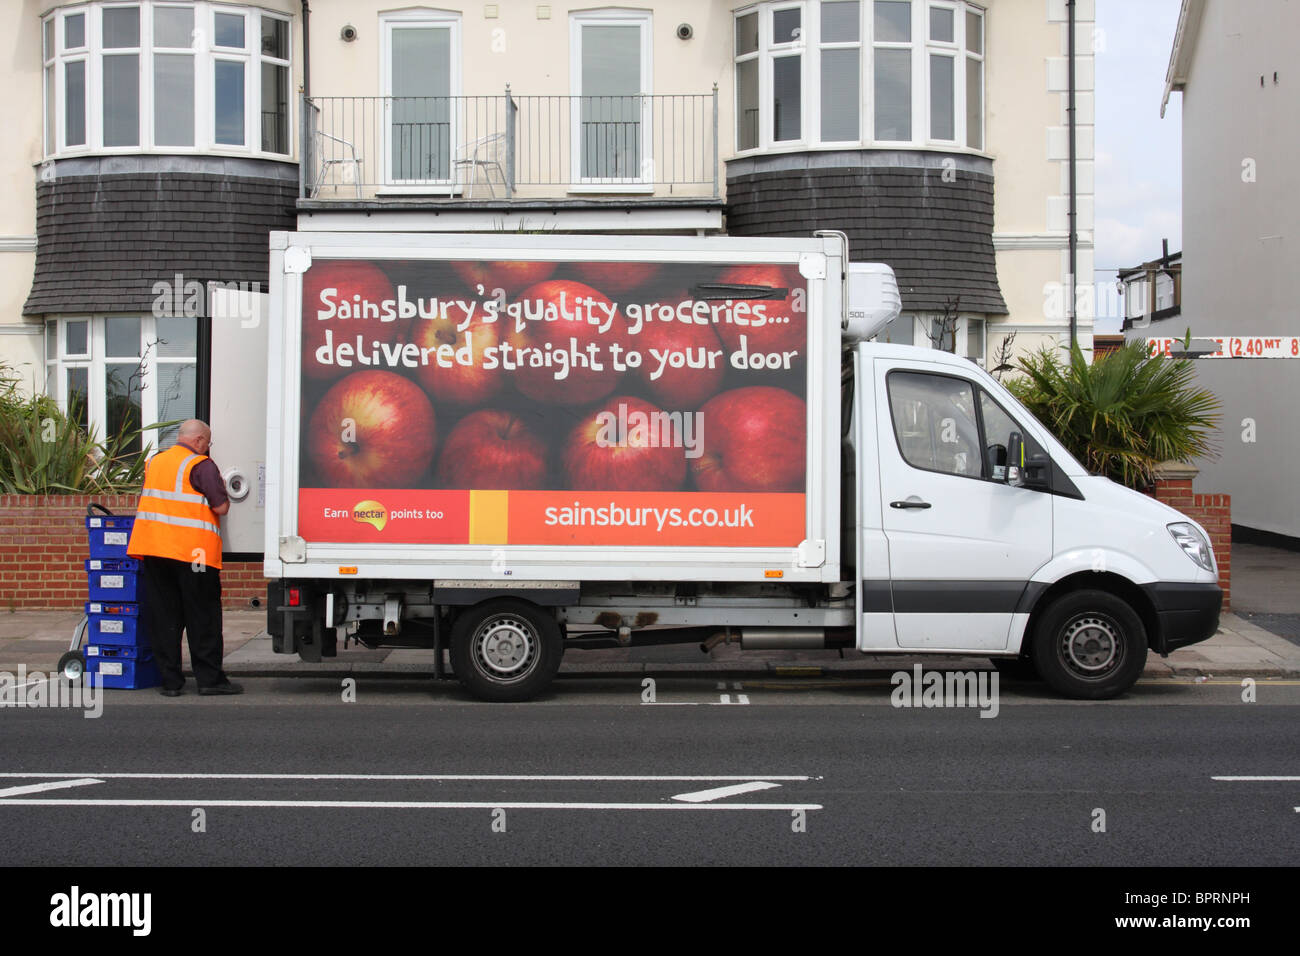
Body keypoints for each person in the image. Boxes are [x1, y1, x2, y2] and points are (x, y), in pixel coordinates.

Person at [127, 419, 243, 697]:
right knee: (202, 618)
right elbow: (221, 506)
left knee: (165, 618)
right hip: (194, 554)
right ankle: (209, 680)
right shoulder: (200, 465)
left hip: (156, 551)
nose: (207, 448)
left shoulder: (155, 462)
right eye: (208, 443)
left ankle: (170, 682)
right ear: (200, 440)